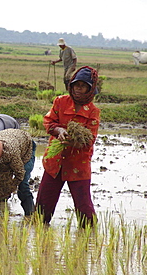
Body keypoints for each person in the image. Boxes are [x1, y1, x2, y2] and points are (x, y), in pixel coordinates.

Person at [35, 66, 100, 228]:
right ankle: (39, 235)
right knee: (43, 207)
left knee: (84, 207)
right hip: (55, 162)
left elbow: (89, 140)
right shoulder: (60, 101)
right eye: (76, 85)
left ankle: (89, 239)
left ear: (90, 89)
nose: (78, 89)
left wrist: (72, 142)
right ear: (71, 85)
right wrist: (59, 130)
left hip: (78, 164)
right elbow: (49, 122)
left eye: (83, 86)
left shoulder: (92, 112)